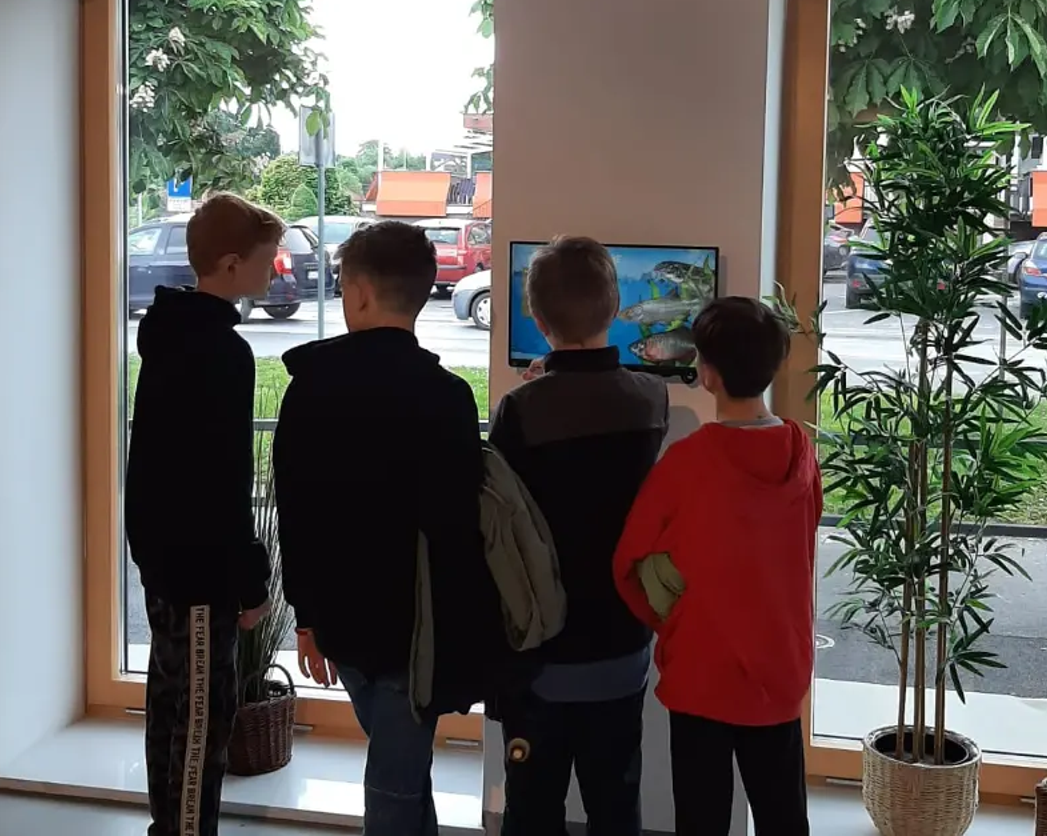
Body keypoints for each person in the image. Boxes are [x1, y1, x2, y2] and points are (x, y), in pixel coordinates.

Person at [273, 220, 494, 836]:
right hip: (419, 625)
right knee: (402, 772)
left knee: (395, 777)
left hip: (341, 618)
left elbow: (294, 508)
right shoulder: (448, 396)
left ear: (360, 294)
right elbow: (458, 526)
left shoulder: (309, 389)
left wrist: (306, 617)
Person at [614, 297, 822, 836]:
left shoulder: (686, 462)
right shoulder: (801, 451)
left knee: (701, 817)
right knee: (783, 815)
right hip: (779, 664)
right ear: (775, 365)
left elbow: (630, 562)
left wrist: (668, 617)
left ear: (707, 374)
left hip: (700, 667)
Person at [489, 236, 670, 836]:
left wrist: (535, 387)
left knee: (532, 808)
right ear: (615, 308)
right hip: (622, 639)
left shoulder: (520, 410)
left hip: (540, 647)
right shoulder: (652, 398)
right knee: (615, 801)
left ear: (537, 319)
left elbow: (504, 522)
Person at [124, 192, 285, 836]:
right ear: (231, 263)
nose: (274, 270)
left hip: (166, 560)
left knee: (170, 706)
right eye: (266, 259)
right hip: (198, 571)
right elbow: (224, 478)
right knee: (201, 723)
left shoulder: (168, 335)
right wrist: (250, 581)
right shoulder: (220, 351)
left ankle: (168, 827)